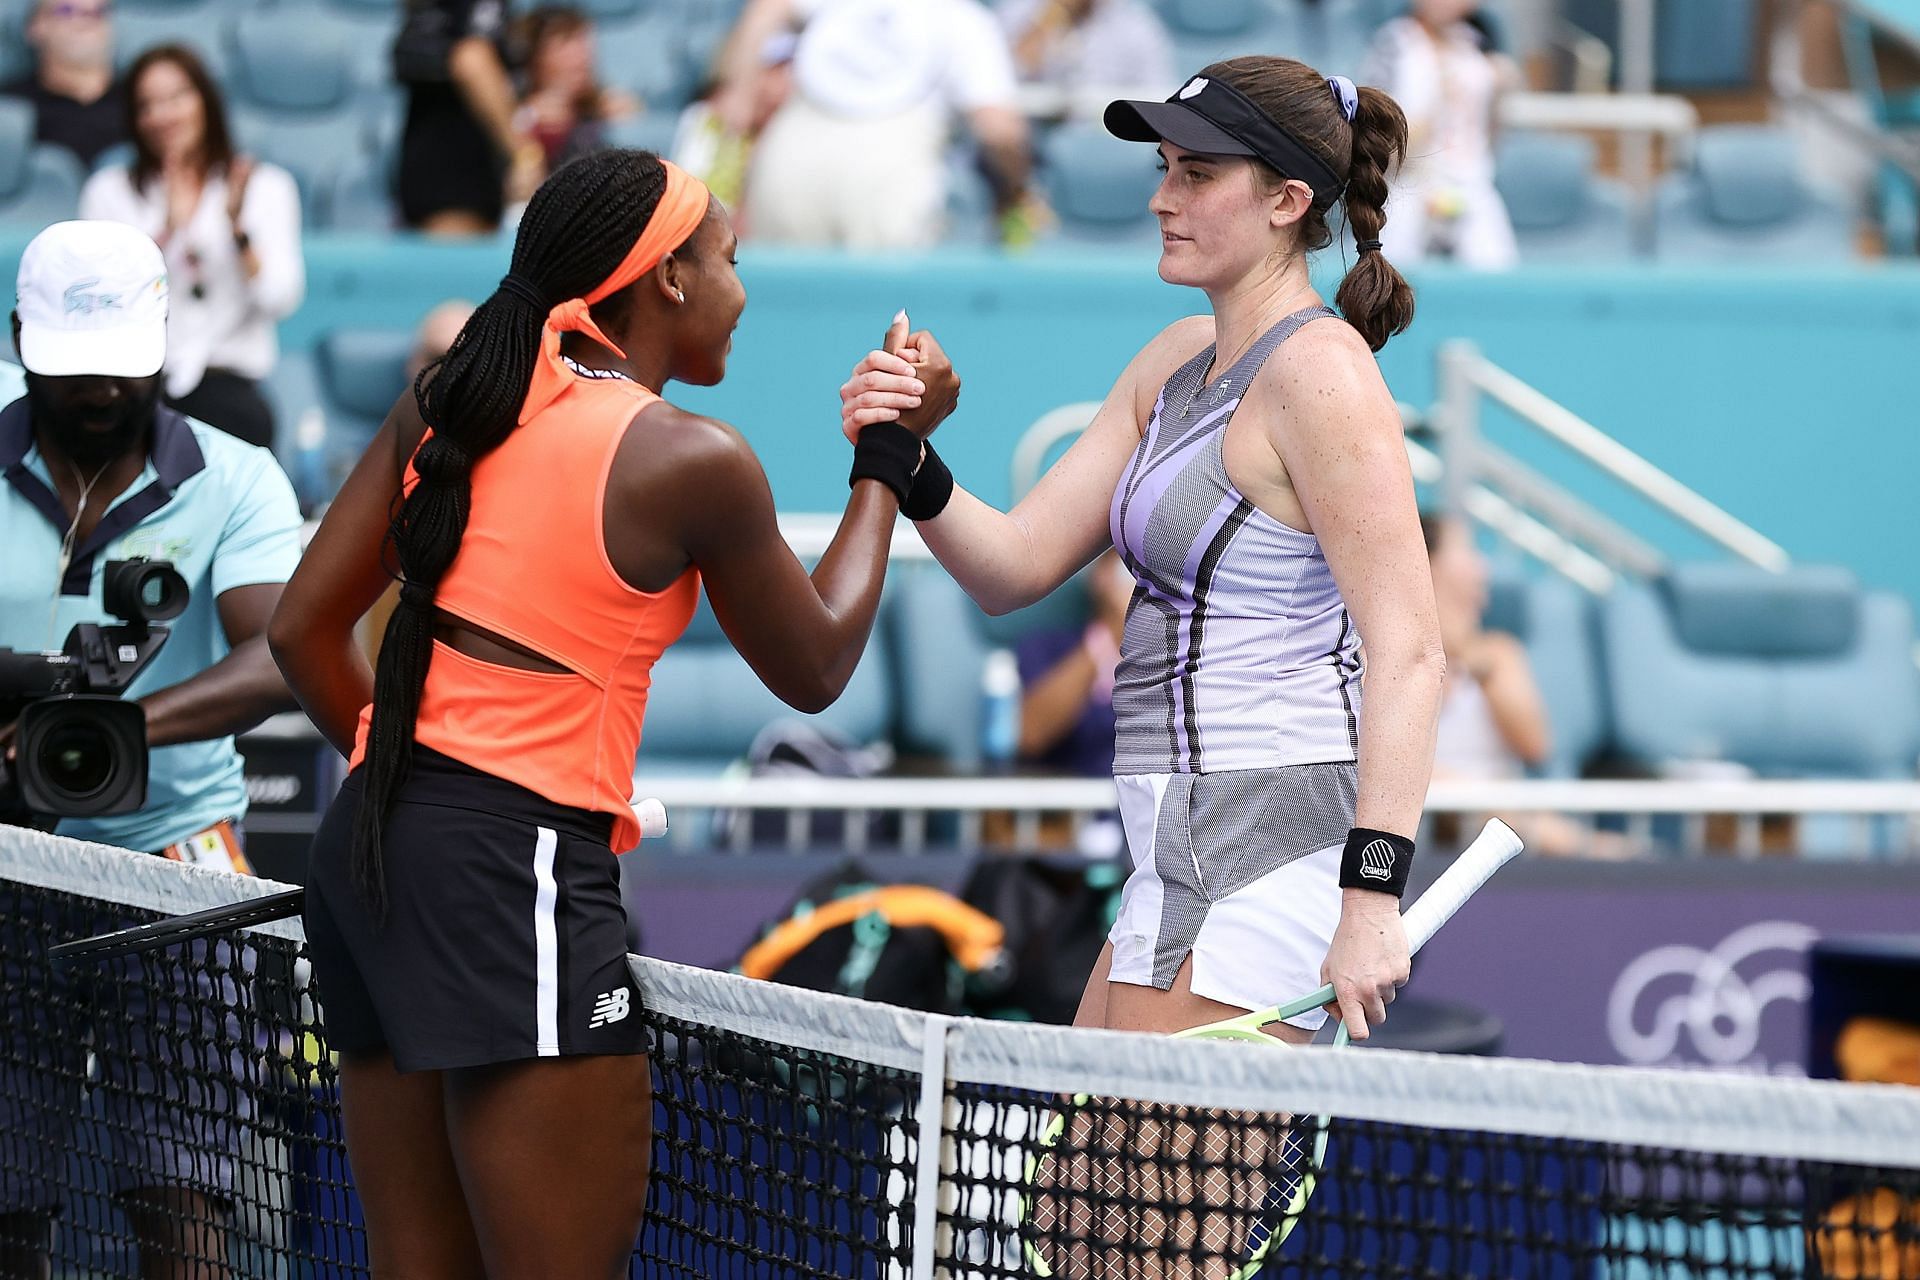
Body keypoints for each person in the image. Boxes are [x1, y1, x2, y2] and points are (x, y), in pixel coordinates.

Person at [267, 149, 956, 1277]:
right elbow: (820, 661)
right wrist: (888, 455)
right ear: (670, 279)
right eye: (730, 258)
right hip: (512, 866)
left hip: (372, 850)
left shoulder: (447, 402)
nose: (743, 286)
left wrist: (412, 774)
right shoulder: (690, 458)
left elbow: (303, 633)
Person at [842, 56, 1442, 1047]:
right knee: (1077, 1207)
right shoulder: (1171, 360)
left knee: (1139, 1207)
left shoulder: (1324, 376)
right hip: (1171, 851)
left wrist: (1371, 896)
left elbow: (1412, 650)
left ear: (1289, 200)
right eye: (1165, 167)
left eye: (1197, 174)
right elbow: (1014, 565)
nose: (1163, 197)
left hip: (1269, 851)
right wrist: (907, 450)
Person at [0, 219, 302, 1280]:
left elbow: (284, 651)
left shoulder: (238, 476)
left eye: (118, 370)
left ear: (165, 341)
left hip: (178, 871)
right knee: (5, 1214)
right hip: (4, 869)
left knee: (186, 1206)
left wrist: (113, 728)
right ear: (16, 337)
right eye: (71, 370)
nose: (96, 393)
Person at [79, 45, 305, 451]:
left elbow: (279, 299)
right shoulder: (109, 191)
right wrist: (165, 232)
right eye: (147, 104)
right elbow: (99, 301)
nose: (162, 115)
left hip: (227, 385)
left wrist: (237, 232)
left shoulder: (265, 188)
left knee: (235, 422)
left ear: (206, 100)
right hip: (137, 384)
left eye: (176, 97)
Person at [711, 0, 1049, 248]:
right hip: (888, 176)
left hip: (791, 164)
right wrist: (1017, 191)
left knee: (783, 311)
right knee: (886, 325)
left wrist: (738, 96)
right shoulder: (965, 21)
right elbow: (1000, 131)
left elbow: (765, 11)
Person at [1361, 0, 1519, 268]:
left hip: (1471, 184)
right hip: (1407, 185)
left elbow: (1490, 130)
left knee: (1498, 272)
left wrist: (1501, 88)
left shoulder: (1476, 46)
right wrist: (1435, 106)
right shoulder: (1392, 44)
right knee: (1389, 274)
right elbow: (1376, 139)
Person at [394, 0, 546, 235]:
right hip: (453, 176)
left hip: (463, 167)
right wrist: (523, 154)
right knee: (455, 264)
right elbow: (471, 59)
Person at [1015, 548, 1130, 776]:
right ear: (1100, 576)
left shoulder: (1180, 652)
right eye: (1126, 570)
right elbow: (1031, 734)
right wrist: (1108, 635)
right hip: (1077, 802)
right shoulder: (1048, 648)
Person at [0, 0, 127, 168]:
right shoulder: (9, 108)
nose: (85, 20)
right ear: (35, 26)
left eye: (97, 12)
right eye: (67, 10)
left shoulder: (141, 102)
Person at [514, 5, 638, 171]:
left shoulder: (608, 109)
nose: (581, 55)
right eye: (565, 43)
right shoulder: (517, 120)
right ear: (536, 58)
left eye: (583, 41)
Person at [999, 0, 1174, 105]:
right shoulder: (1018, 9)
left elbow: (1156, 98)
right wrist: (1050, 17)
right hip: (1034, 139)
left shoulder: (1137, 26)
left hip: (1108, 137)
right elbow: (999, 79)